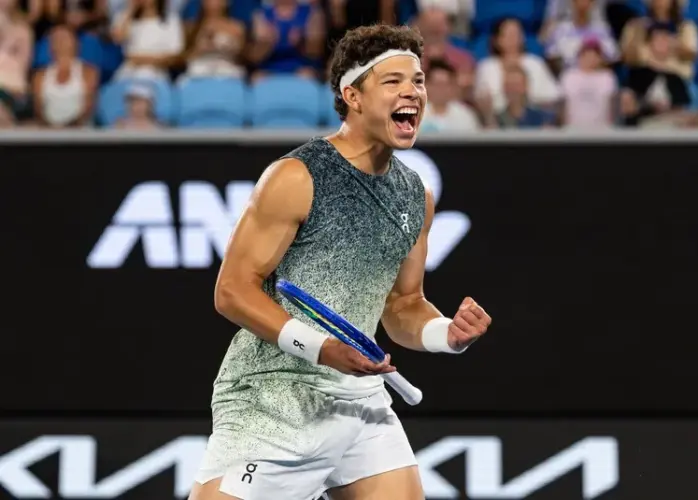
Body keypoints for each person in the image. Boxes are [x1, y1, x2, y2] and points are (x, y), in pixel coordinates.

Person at [190, 24, 492, 500]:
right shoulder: (296, 177)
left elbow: (403, 305)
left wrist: (446, 335)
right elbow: (232, 291)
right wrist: (322, 348)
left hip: (360, 401)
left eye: (417, 81)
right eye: (393, 81)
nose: (412, 92)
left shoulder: (415, 195)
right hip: (276, 395)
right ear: (352, 96)